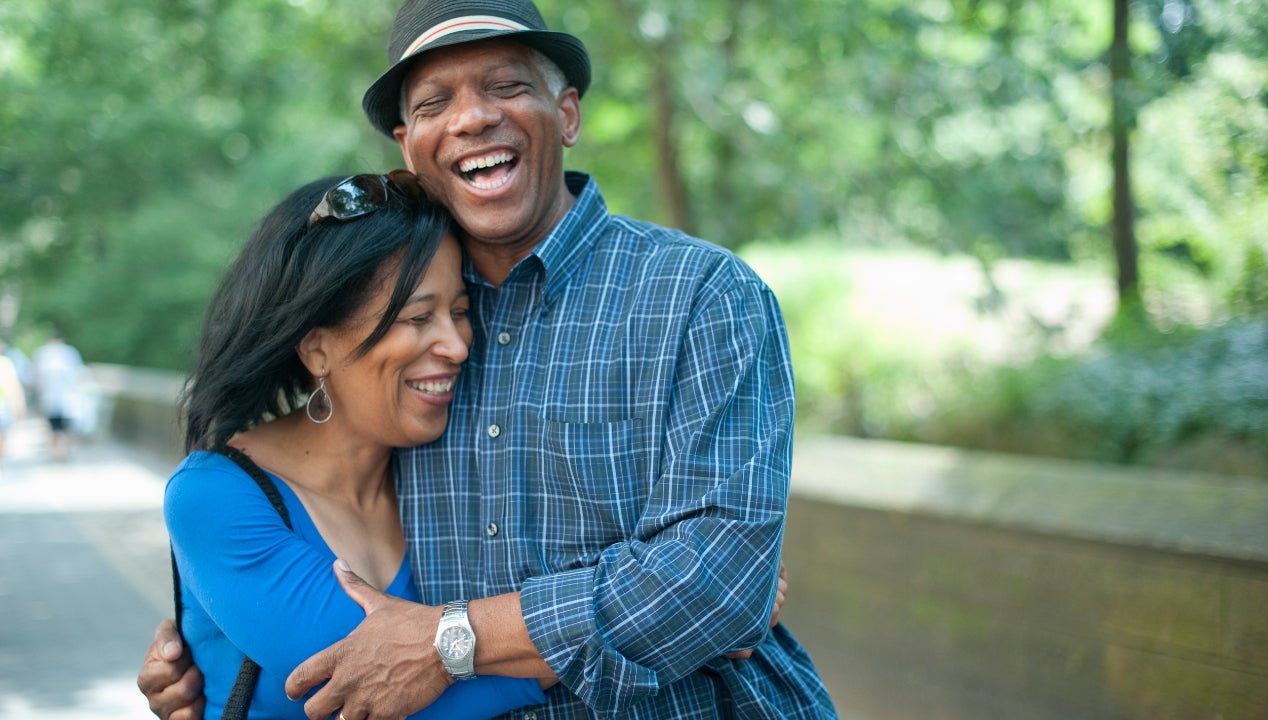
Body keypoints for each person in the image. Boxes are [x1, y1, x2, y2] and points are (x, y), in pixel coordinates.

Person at [140, 1, 836, 718]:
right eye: (437, 102)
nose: (473, 117)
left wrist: (450, 640)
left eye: (505, 86)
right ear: (410, 149)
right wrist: (213, 651)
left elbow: (719, 580)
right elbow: (336, 620)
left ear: (566, 115)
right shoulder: (393, 342)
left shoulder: (701, 295)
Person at [164, 170, 549, 719]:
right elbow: (390, 695)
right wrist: (650, 633)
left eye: (459, 311)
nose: (457, 345)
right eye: (418, 317)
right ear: (317, 350)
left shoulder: (450, 466)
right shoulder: (212, 496)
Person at [31, 329, 85, 461]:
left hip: (53, 397)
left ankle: (57, 451)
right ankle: (62, 451)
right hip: (66, 397)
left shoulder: (43, 353)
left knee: (55, 427)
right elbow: (80, 374)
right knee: (64, 426)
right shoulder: (70, 352)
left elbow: (35, 377)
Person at [0, 344, 25, 458]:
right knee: (2, 438)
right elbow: (14, 387)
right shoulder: (5, 363)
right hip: (3, 409)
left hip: (3, 409)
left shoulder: (5, 363)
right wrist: (19, 406)